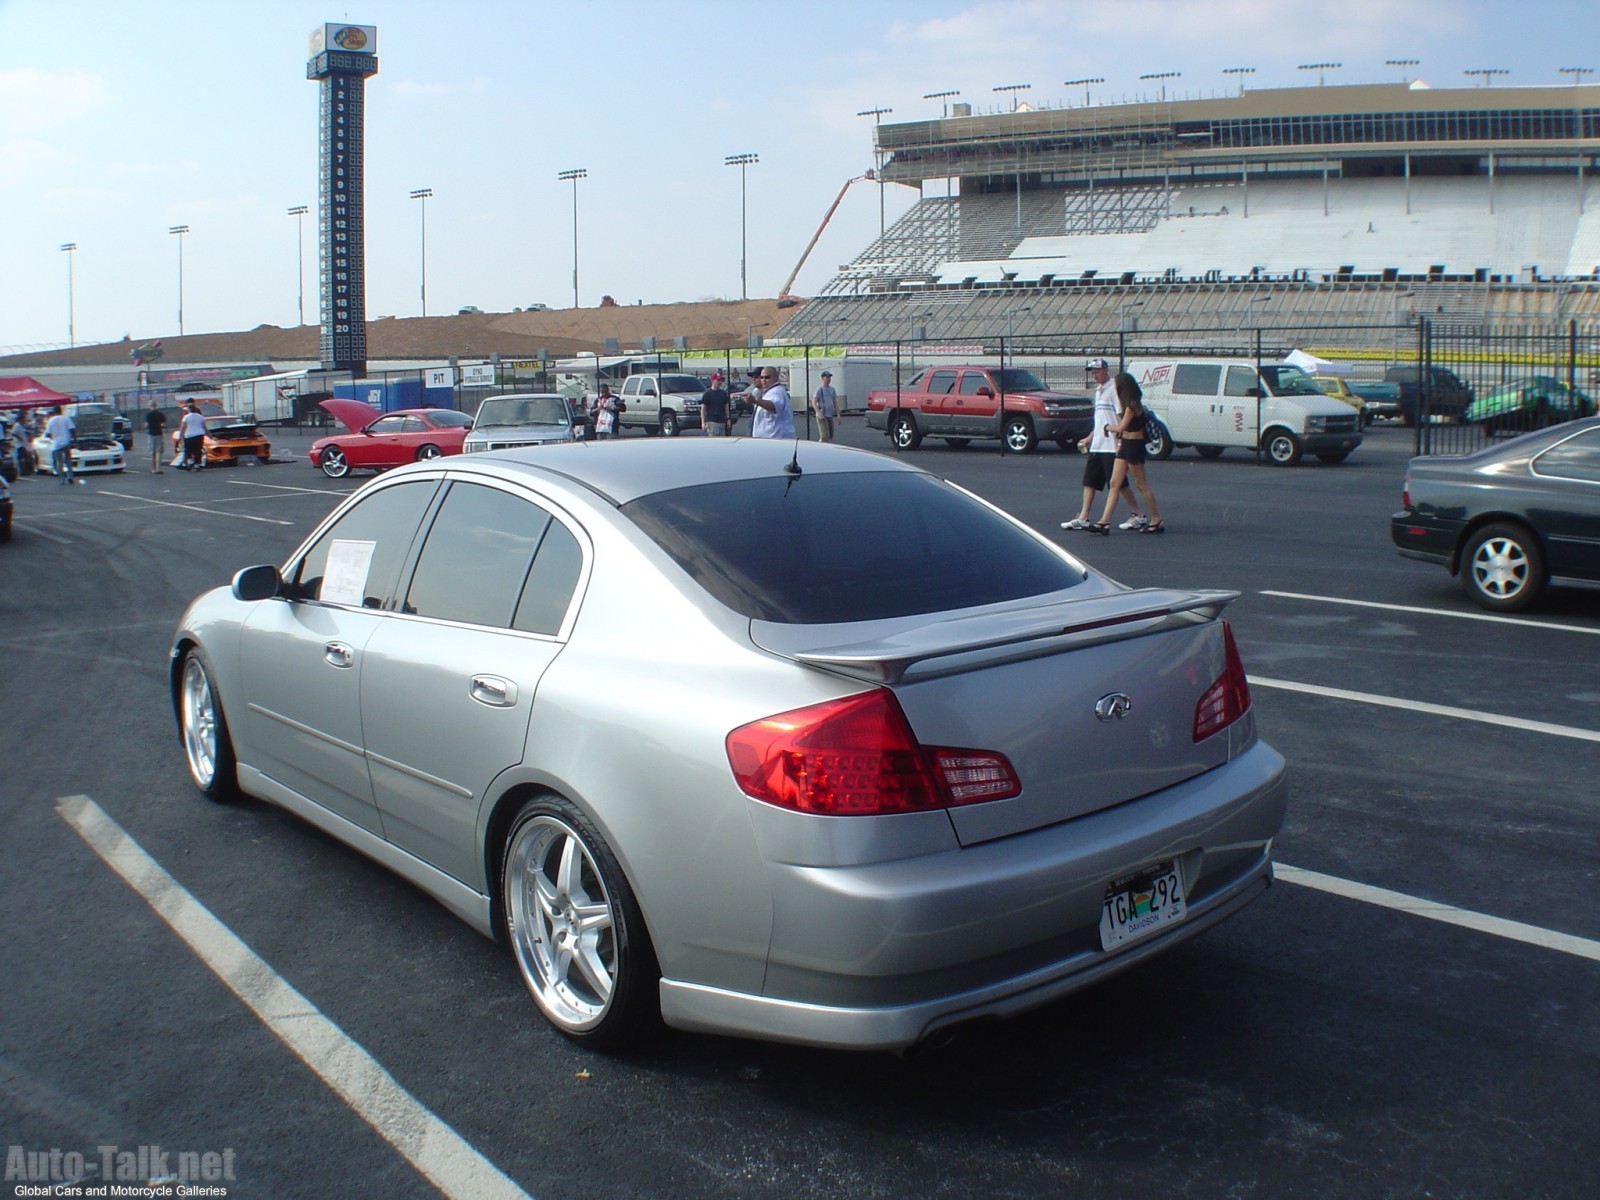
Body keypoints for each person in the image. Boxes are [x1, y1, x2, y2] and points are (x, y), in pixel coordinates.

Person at [1061, 358, 1144, 531]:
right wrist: (1090, 437)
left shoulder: (1114, 389)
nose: (1094, 374)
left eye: (1097, 371)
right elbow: (1100, 422)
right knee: (1089, 481)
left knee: (1119, 484)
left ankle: (1138, 514)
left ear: (1106, 370)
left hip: (1111, 446)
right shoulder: (1098, 391)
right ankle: (1083, 517)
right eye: (1092, 371)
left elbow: (1120, 417)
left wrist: (1120, 440)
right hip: (1098, 445)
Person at [1091, 372, 1165, 535]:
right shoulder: (1126, 404)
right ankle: (1104, 521)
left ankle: (1156, 518)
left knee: (1141, 484)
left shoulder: (1132, 405)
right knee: (1114, 482)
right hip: (1125, 444)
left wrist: (1107, 427)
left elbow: (1121, 427)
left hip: (1134, 445)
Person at [748, 368, 795, 439]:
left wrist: (755, 400)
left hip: (776, 438)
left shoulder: (776, 392)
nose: (763, 380)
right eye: (761, 377)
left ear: (776, 378)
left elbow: (774, 406)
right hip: (769, 439)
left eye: (767, 377)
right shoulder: (768, 391)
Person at [44, 407, 81, 485]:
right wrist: (75, 440)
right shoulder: (66, 418)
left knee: (59, 462)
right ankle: (70, 477)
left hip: (56, 444)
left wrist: (53, 437)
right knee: (68, 461)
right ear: (61, 411)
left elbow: (47, 434)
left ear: (54, 412)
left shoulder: (51, 420)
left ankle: (62, 479)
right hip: (66, 442)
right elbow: (72, 429)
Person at [700, 372, 732, 437]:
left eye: (721, 380)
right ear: (712, 381)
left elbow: (726, 406)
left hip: (722, 421)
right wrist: (703, 422)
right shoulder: (707, 393)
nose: (720, 382)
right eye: (718, 380)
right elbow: (703, 408)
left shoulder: (723, 393)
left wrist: (728, 418)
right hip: (712, 421)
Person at [178, 401, 207, 470]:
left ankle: (187, 462)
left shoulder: (186, 417)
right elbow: (204, 427)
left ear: (189, 409)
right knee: (198, 450)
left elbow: (183, 427)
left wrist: (181, 436)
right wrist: (209, 435)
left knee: (188, 450)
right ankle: (197, 464)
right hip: (199, 435)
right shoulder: (200, 417)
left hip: (189, 435)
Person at [813, 371, 838, 442]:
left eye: (829, 377)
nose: (829, 379)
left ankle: (829, 447)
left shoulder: (832, 390)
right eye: (827, 377)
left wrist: (838, 414)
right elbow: (814, 403)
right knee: (824, 435)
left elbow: (835, 403)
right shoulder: (819, 389)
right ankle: (822, 447)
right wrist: (819, 412)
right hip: (822, 415)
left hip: (829, 414)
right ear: (822, 378)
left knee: (830, 435)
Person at [145, 401, 167, 474]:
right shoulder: (160, 414)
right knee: (159, 451)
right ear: (156, 405)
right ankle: (158, 468)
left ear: (149, 406)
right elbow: (163, 423)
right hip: (159, 433)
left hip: (151, 434)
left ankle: (153, 468)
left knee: (152, 452)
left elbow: (146, 425)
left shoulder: (148, 414)